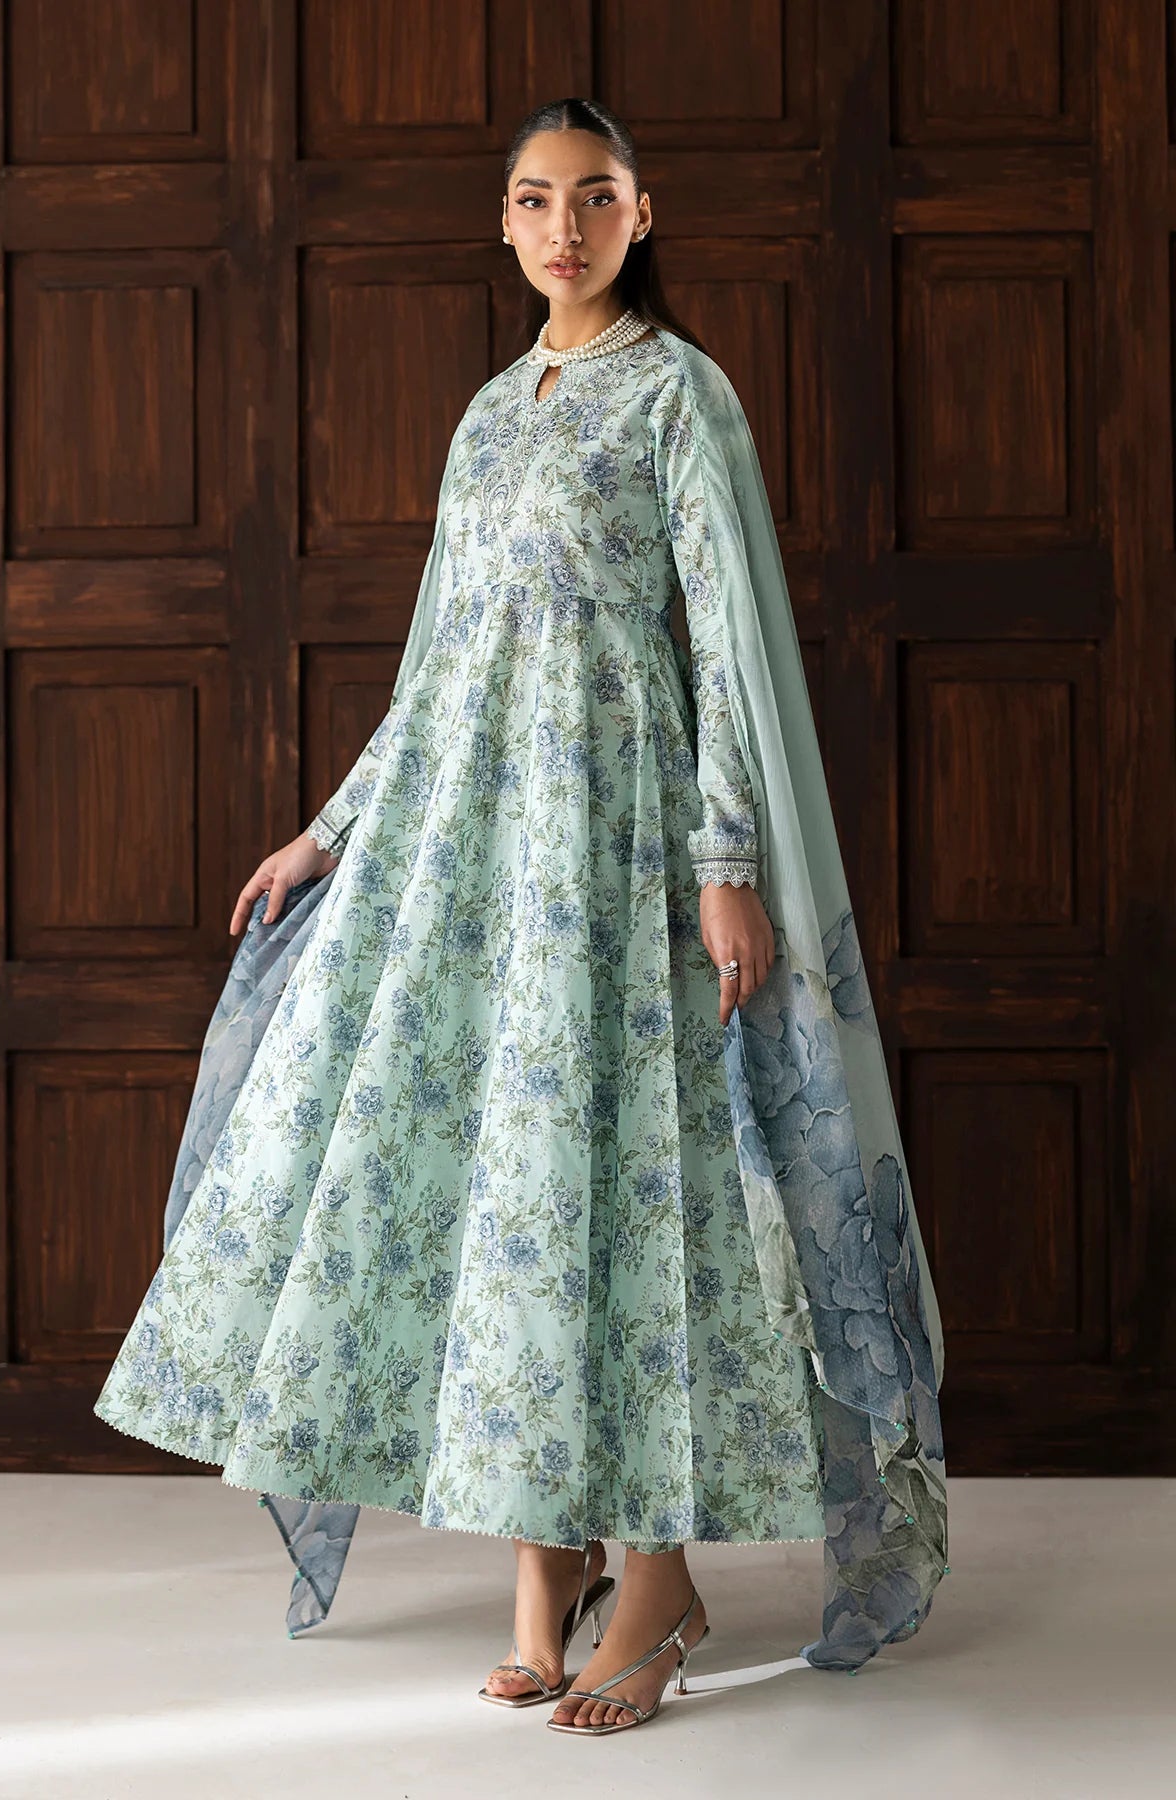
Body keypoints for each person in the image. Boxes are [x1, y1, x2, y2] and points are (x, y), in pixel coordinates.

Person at [94, 97, 948, 1735]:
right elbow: (438, 669)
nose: (567, 227)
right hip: (479, 856)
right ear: (504, 222)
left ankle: (660, 1578)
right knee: (508, 1187)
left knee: (621, 1184)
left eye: (597, 198)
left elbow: (724, 644)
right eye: (538, 200)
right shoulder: (491, 414)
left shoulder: (680, 394)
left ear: (643, 215)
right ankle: (545, 1580)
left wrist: (722, 860)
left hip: (618, 844)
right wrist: (329, 832)